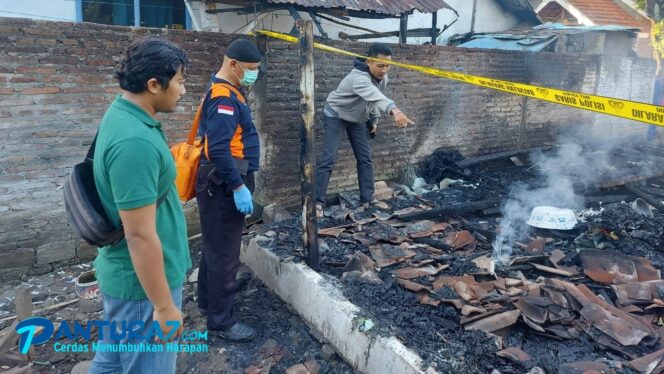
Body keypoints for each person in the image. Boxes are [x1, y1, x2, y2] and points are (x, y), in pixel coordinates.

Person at [90, 36, 190, 373]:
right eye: (179, 81)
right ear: (154, 84)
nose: (183, 90)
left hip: (129, 282)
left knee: (112, 363)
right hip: (143, 291)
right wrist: (163, 306)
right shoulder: (135, 142)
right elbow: (139, 237)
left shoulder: (126, 115)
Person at [196, 39, 261, 342]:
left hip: (221, 180)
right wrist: (238, 187)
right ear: (232, 64)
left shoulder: (228, 90)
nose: (253, 75)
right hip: (224, 182)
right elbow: (218, 147)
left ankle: (208, 301)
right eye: (250, 70)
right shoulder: (224, 97)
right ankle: (221, 322)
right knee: (224, 253)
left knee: (214, 245)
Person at [315, 43, 414, 218]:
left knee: (365, 158)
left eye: (388, 65)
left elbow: (373, 101)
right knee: (328, 158)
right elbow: (374, 95)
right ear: (369, 62)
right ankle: (317, 203)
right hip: (336, 114)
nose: (384, 70)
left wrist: (374, 121)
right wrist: (395, 110)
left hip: (357, 118)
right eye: (380, 65)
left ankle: (367, 200)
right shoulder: (358, 78)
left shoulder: (382, 79)